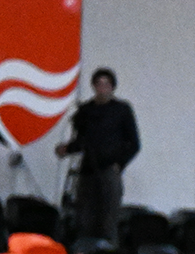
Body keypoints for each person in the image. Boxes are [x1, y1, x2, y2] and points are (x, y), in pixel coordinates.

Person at [55, 68, 140, 243]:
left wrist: (119, 164)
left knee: (108, 220)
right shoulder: (85, 111)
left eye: (106, 84)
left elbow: (134, 143)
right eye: (99, 84)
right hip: (87, 171)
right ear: (94, 86)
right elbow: (82, 141)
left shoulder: (122, 110)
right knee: (84, 218)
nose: (102, 88)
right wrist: (67, 149)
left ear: (112, 87)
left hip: (109, 169)